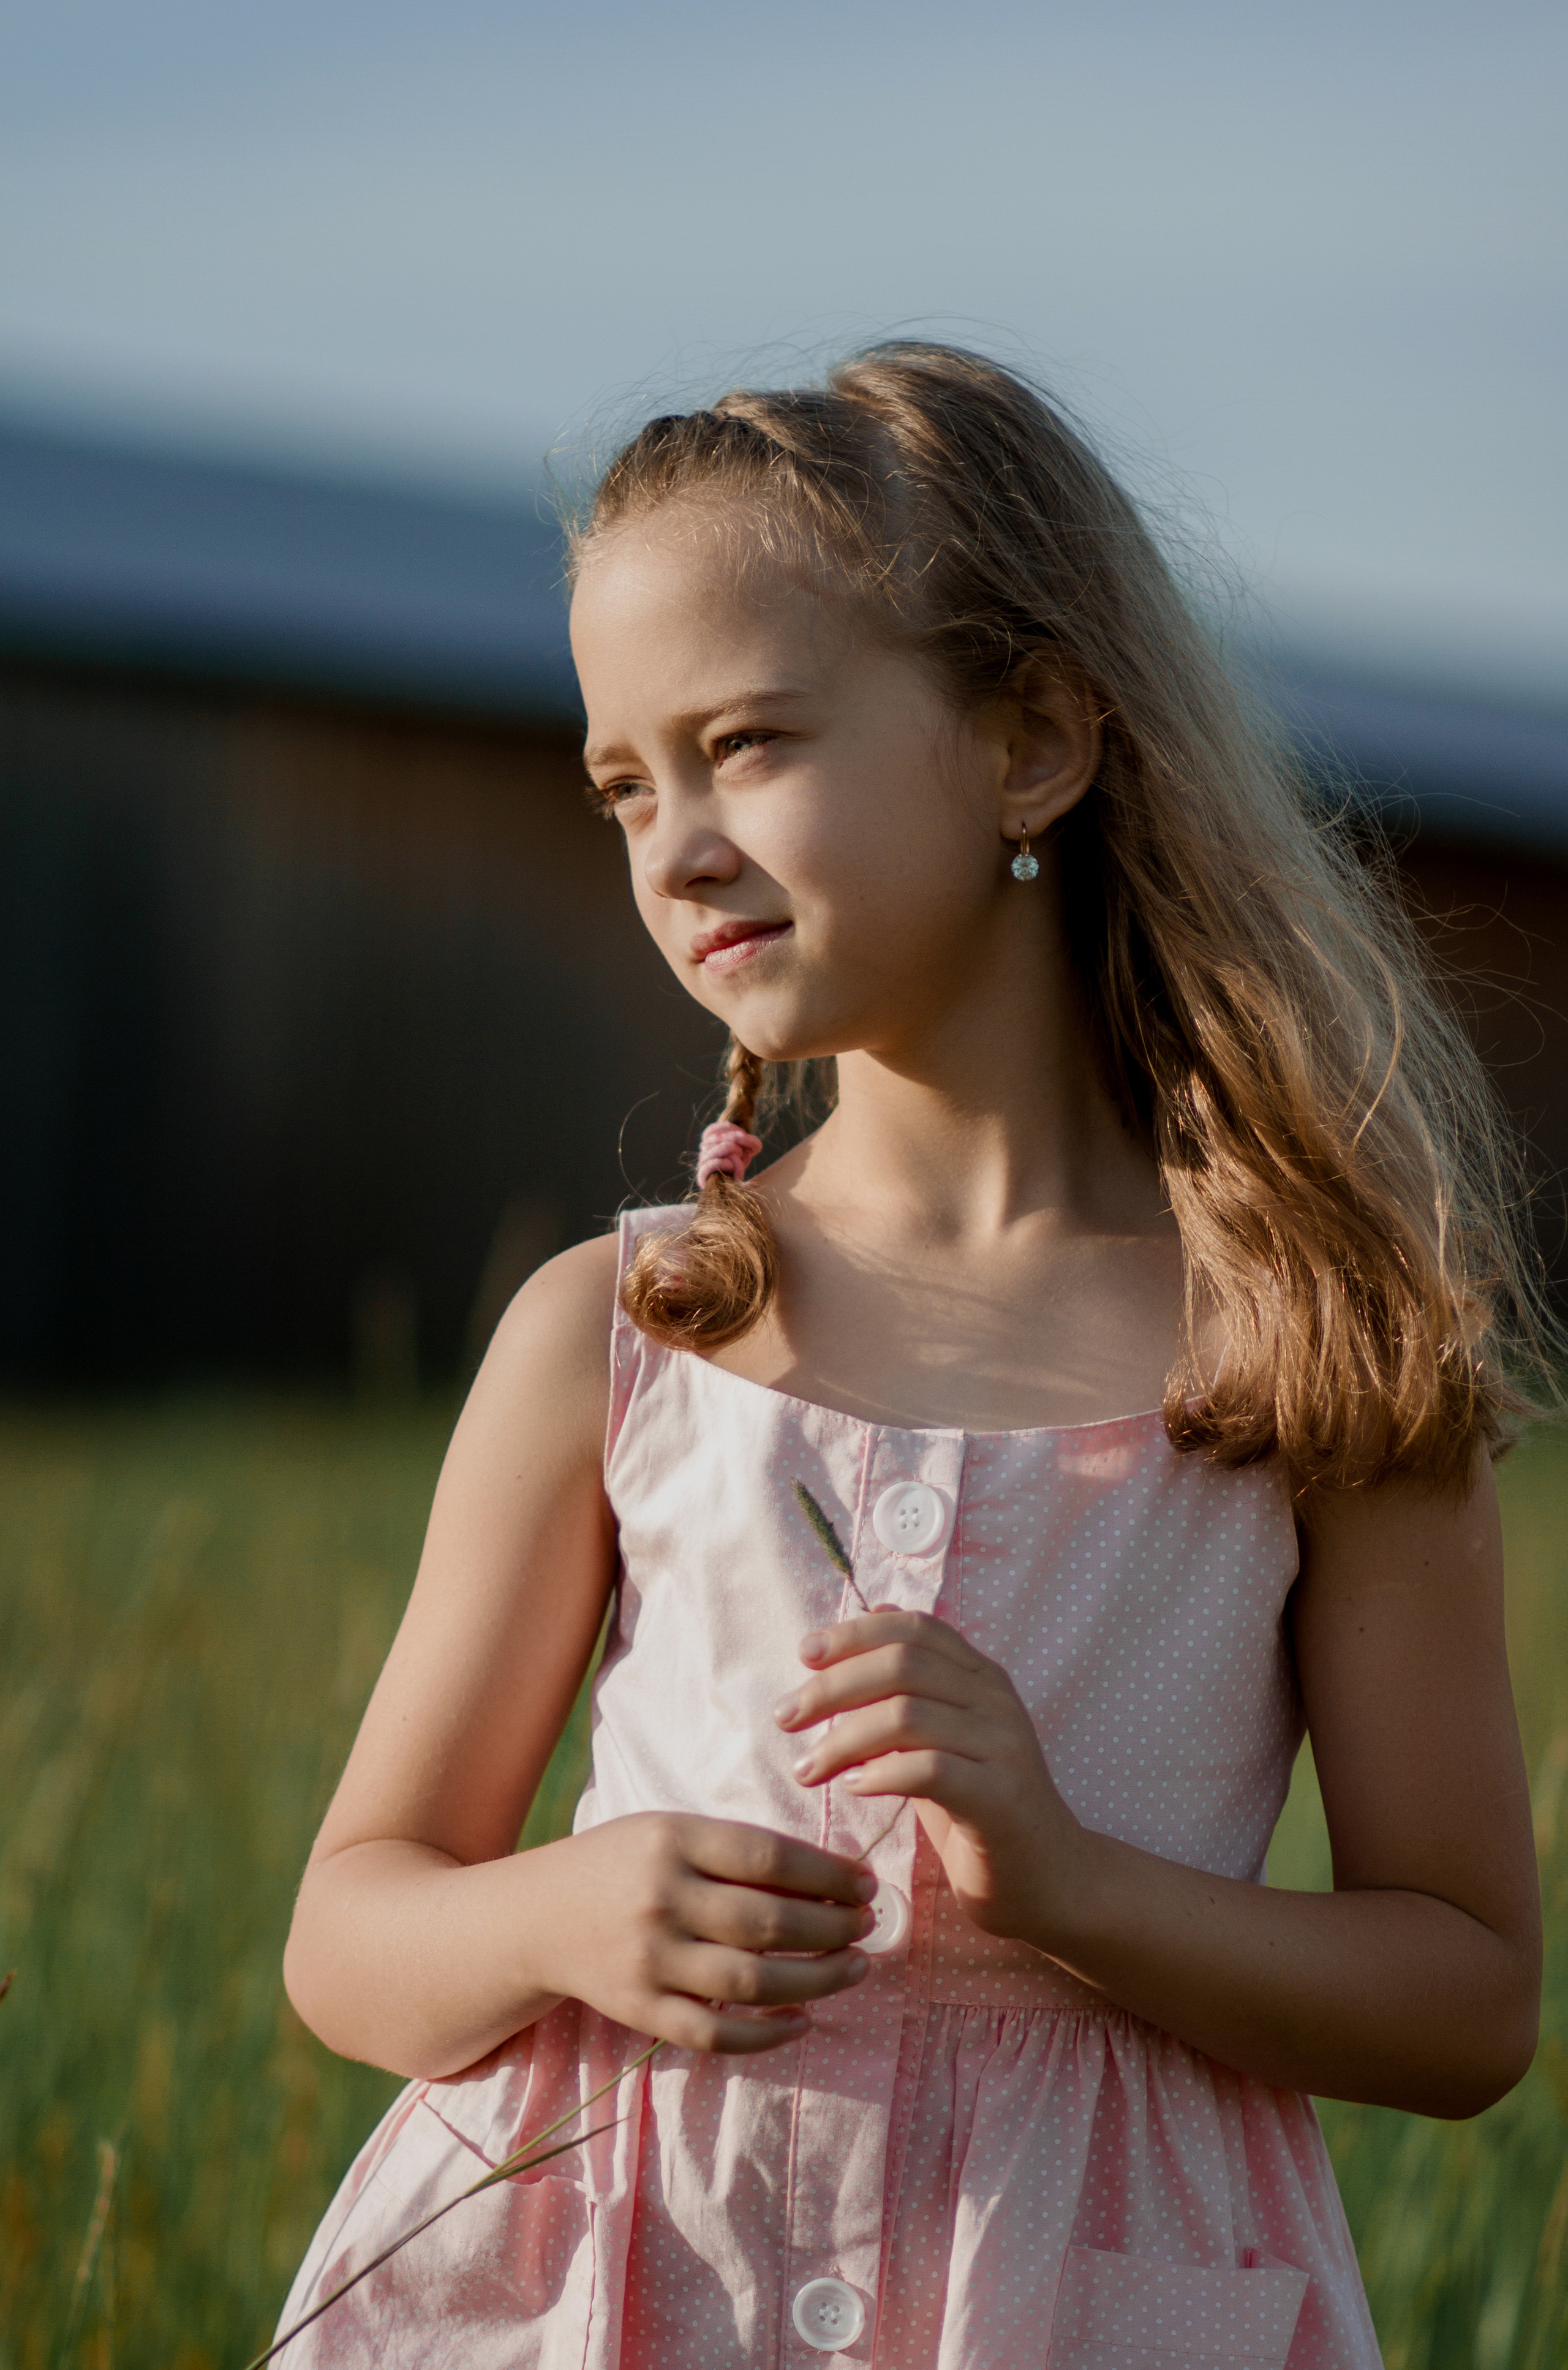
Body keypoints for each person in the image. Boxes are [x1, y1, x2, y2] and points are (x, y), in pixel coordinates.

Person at [276, 344, 1544, 2369]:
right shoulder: (617, 1334)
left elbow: (1469, 2001)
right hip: (611, 2294)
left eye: (750, 741)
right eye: (624, 780)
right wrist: (558, 1914)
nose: (674, 843)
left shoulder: (1316, 1352)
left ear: (1034, 740)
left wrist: (1070, 1885)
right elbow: (350, 1932)